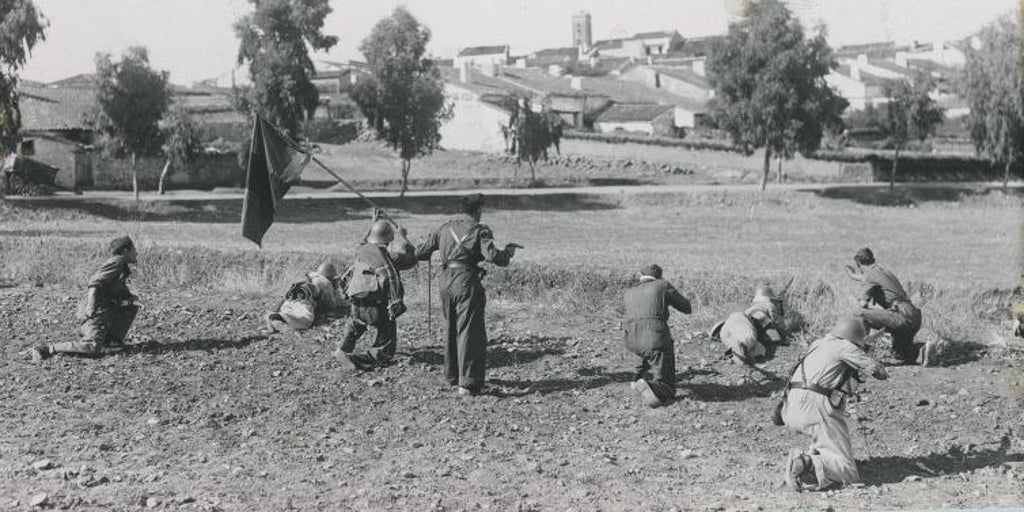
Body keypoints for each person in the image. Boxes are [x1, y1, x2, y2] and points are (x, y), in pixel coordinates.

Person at [415, 193, 518, 396]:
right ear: (478, 210)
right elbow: (493, 256)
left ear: (462, 210)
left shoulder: (444, 228)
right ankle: (468, 383)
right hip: (466, 281)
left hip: (445, 282)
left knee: (451, 327)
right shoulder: (480, 231)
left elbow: (421, 253)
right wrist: (508, 252)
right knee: (470, 332)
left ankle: (452, 376)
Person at [781, 317, 888, 492]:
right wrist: (865, 356)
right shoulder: (844, 346)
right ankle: (805, 463)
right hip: (815, 405)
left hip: (792, 405)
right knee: (849, 471)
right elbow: (880, 372)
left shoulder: (817, 344)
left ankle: (811, 458)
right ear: (854, 338)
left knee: (824, 441)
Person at [27, 236, 140, 361]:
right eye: (134, 248)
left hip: (103, 310)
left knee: (131, 304)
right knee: (91, 347)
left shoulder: (120, 265)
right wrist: (90, 306)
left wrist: (129, 298)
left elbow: (117, 291)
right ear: (126, 250)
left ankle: (111, 342)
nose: (136, 252)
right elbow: (94, 283)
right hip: (96, 309)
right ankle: (46, 349)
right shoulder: (118, 261)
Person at [336, 212, 417, 370]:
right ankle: (356, 358)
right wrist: (404, 237)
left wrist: (373, 223)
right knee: (386, 346)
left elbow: (363, 240)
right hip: (376, 307)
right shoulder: (386, 257)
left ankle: (342, 349)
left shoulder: (361, 250)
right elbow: (410, 261)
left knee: (356, 324)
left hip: (356, 303)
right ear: (389, 239)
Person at [622, 264, 692, 407]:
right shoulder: (661, 285)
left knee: (645, 352)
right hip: (654, 335)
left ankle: (637, 380)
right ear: (658, 276)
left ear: (641, 276)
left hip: (631, 338)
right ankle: (658, 389)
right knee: (662, 359)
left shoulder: (629, 292)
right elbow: (686, 307)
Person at [844, 247, 925, 364]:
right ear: (873, 260)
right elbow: (870, 279)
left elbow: (862, 305)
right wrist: (853, 276)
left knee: (858, 313)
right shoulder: (883, 271)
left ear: (858, 264)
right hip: (913, 316)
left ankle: (859, 353)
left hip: (902, 316)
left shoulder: (870, 275)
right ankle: (925, 349)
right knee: (900, 355)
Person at [710, 284, 785, 366]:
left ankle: (738, 353)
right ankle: (741, 351)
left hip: (726, 330)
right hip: (739, 321)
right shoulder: (767, 305)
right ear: (768, 298)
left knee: (755, 348)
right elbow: (776, 325)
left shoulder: (751, 308)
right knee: (748, 340)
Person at [265, 262, 344, 333]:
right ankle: (278, 322)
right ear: (331, 277)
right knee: (304, 321)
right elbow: (332, 305)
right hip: (304, 302)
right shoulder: (325, 282)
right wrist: (336, 289)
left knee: (289, 313)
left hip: (290, 299)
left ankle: (275, 317)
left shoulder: (311, 276)